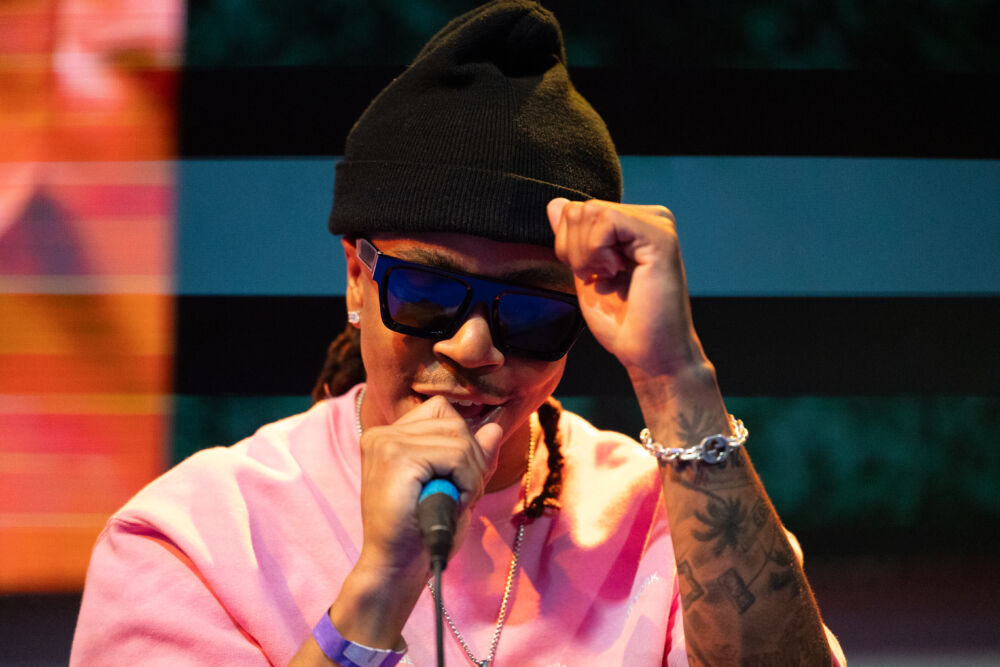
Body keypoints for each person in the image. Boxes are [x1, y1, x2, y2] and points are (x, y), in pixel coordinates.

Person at [72, 2, 845, 665]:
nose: (473, 347)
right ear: (356, 277)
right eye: (428, 294)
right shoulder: (193, 540)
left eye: (532, 311)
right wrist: (378, 588)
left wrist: (676, 377)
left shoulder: (665, 518)